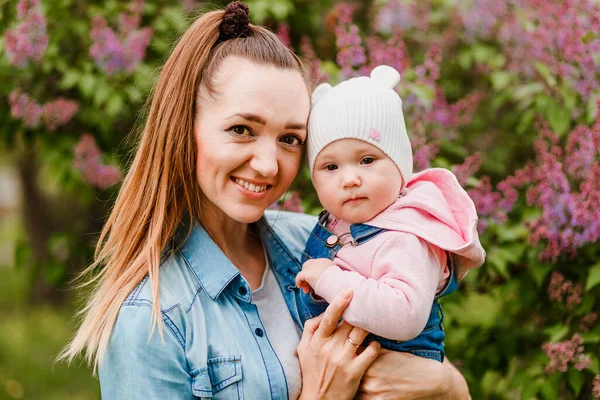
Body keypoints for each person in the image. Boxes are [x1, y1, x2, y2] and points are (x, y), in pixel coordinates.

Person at [58, 2, 471, 398]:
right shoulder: (153, 318)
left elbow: (423, 351)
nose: (269, 165)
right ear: (185, 127)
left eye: (290, 139)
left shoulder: (314, 241)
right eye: (242, 129)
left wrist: (448, 386)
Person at [296, 65, 486, 362]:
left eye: (367, 159)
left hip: (395, 369)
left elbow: (405, 314)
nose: (349, 179)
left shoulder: (405, 236)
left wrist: (330, 280)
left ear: (399, 164)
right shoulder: (338, 222)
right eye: (331, 167)